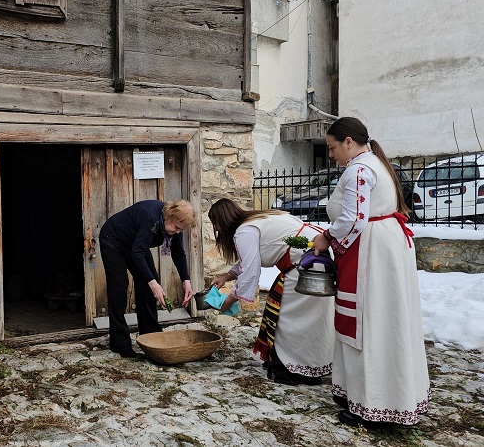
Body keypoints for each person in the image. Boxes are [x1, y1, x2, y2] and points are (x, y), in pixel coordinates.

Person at [311, 117, 429, 427]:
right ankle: (362, 390)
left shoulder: (360, 170)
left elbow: (354, 218)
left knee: (369, 323)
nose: (332, 154)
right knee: (386, 320)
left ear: (349, 142)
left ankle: (373, 402)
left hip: (371, 252)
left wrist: (326, 238)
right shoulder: (375, 164)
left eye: (333, 148)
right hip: (384, 247)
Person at [208, 199, 334, 385]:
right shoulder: (258, 219)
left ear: (222, 220)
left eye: (215, 223)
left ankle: (298, 371)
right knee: (307, 321)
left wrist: (229, 301)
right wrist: (226, 277)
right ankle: (301, 367)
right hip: (311, 262)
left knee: (290, 320)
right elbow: (249, 259)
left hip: (305, 266)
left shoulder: (245, 231)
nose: (217, 229)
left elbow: (250, 270)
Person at [98, 200, 195, 357]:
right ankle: (120, 343)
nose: (178, 232)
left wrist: (186, 281)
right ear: (168, 217)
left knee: (149, 287)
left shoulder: (177, 225)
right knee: (119, 289)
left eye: (181, 230)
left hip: (135, 245)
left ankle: (150, 335)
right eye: (176, 228)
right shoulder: (150, 217)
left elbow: (178, 252)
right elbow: (138, 252)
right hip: (113, 240)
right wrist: (154, 284)